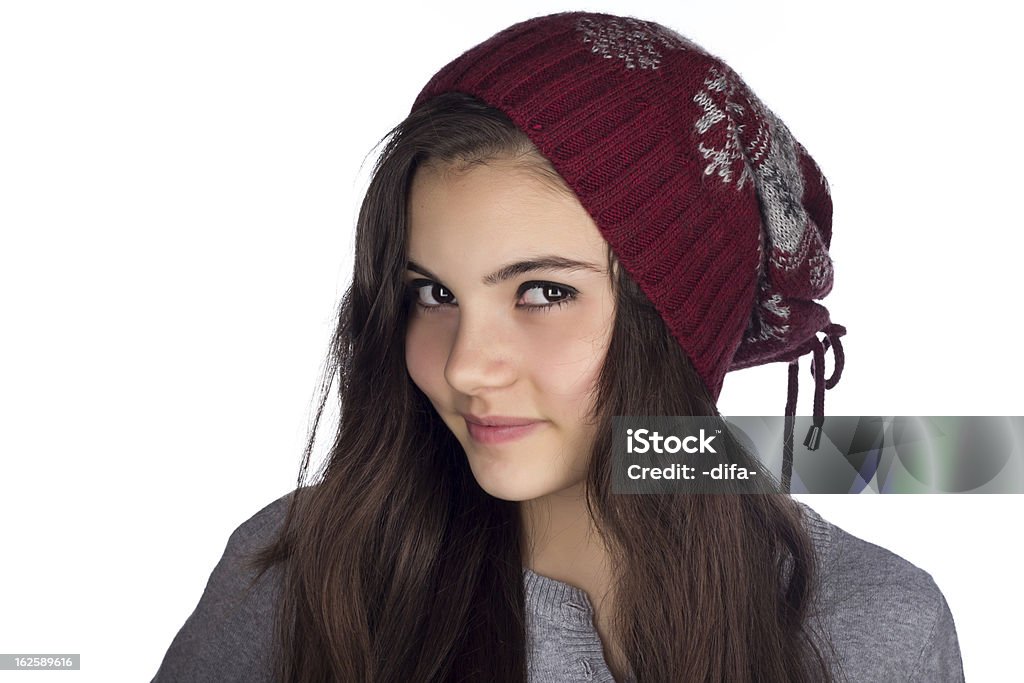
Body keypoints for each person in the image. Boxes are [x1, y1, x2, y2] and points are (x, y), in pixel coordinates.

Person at [152, 11, 964, 682]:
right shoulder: (297, 574)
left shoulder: (875, 631)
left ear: (681, 323)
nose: (467, 364)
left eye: (543, 293)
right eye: (433, 293)